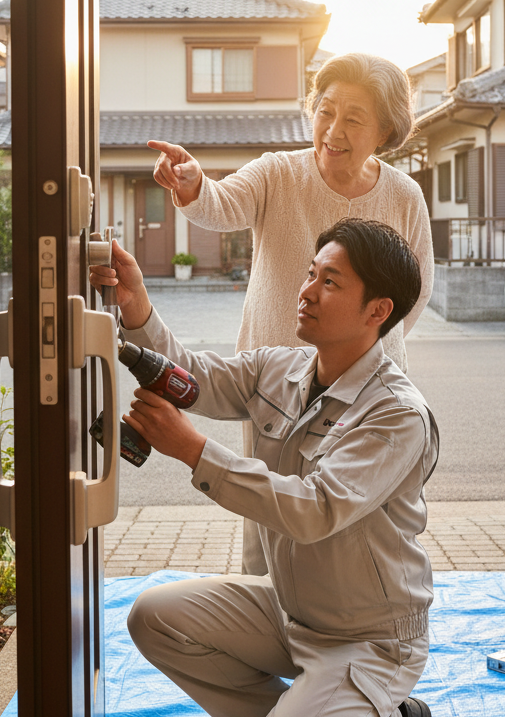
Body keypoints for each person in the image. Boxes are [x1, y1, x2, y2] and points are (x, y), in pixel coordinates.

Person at [90, 218, 439, 717]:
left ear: (377, 310)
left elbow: (314, 509)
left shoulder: (397, 415)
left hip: (370, 637)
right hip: (292, 609)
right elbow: (191, 380)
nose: (306, 291)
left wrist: (194, 450)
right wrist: (135, 304)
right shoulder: (283, 368)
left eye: (330, 282)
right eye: (311, 273)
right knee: (155, 617)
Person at [148, 51, 435, 575]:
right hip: (275, 382)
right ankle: (264, 613)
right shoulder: (278, 171)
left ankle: (348, 617)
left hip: (364, 387)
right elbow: (220, 202)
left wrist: (356, 347)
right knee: (266, 505)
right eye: (325, 110)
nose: (333, 129)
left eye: (353, 117)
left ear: (386, 129)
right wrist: (192, 185)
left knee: (354, 512)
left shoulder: (404, 195)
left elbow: (414, 289)